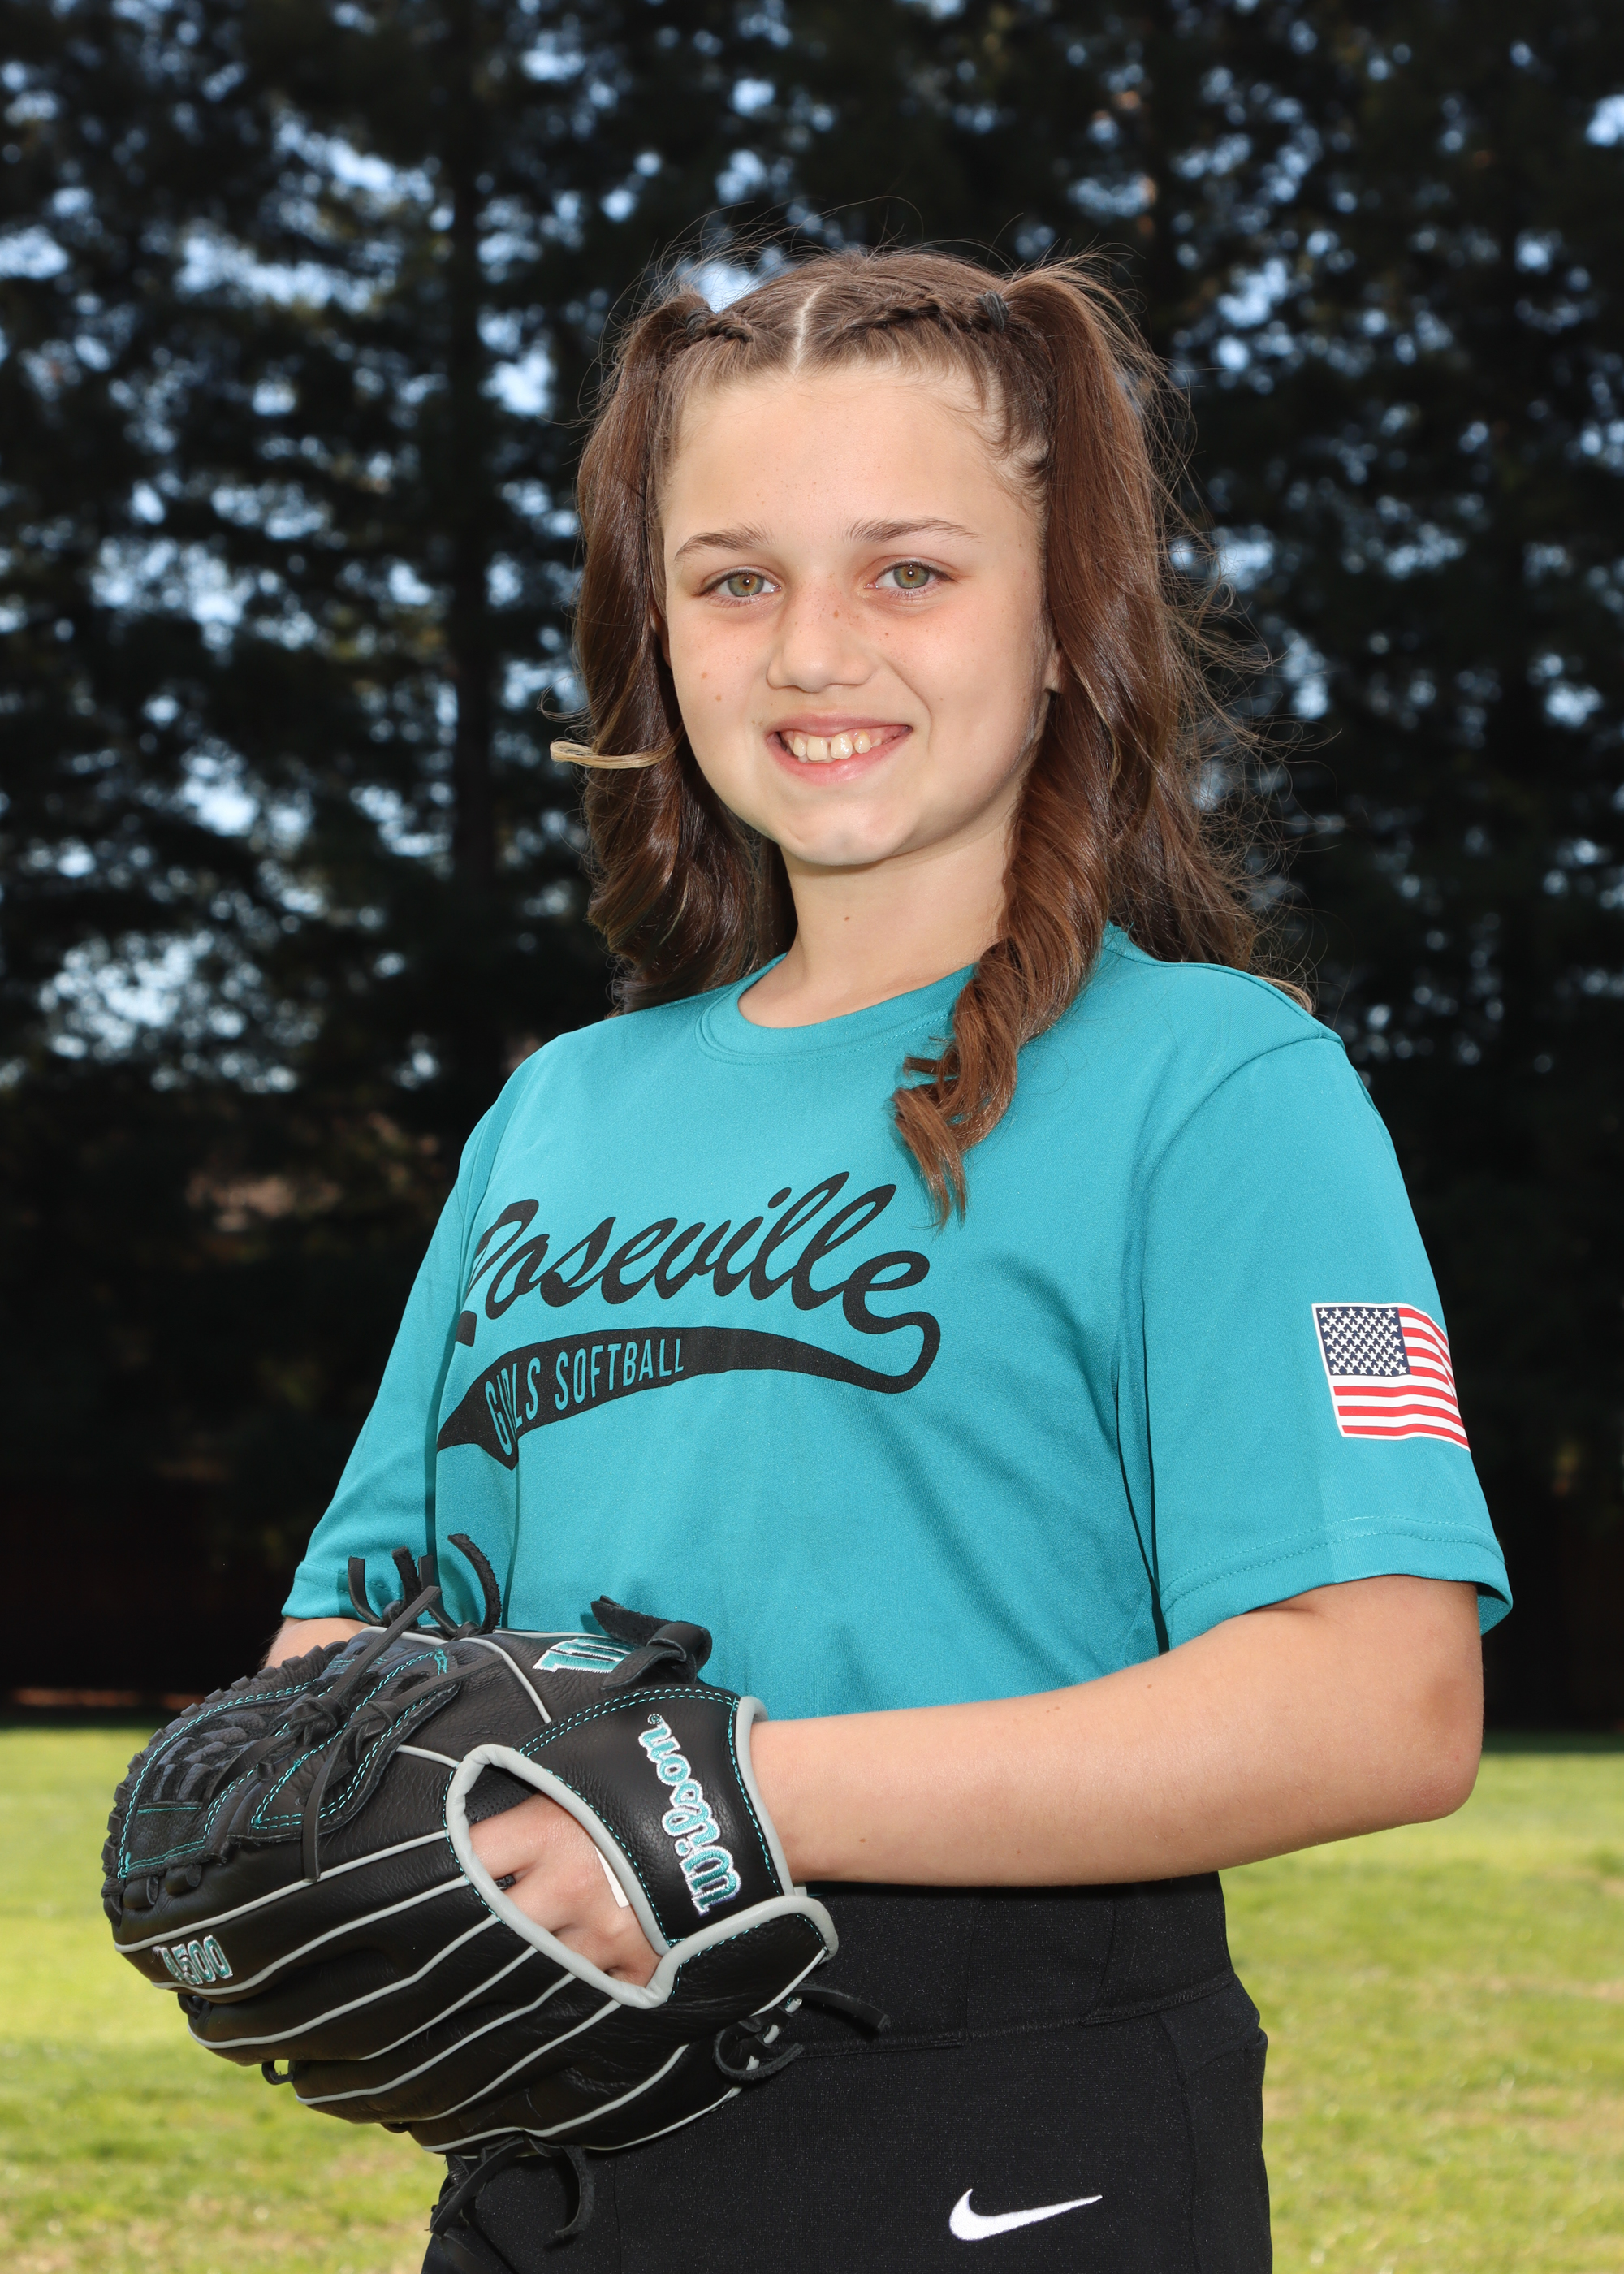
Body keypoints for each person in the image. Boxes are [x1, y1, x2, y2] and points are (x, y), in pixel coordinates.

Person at [268, 248, 1509, 2272]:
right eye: (733, 580)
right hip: (555, 2144)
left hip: (1007, 2131)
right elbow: (363, 1627)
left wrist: (720, 1791)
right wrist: (316, 1796)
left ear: (1065, 623)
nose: (812, 649)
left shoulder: (1220, 1085)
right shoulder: (557, 1111)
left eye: (908, 571)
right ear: (655, 632)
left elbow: (1383, 1699)